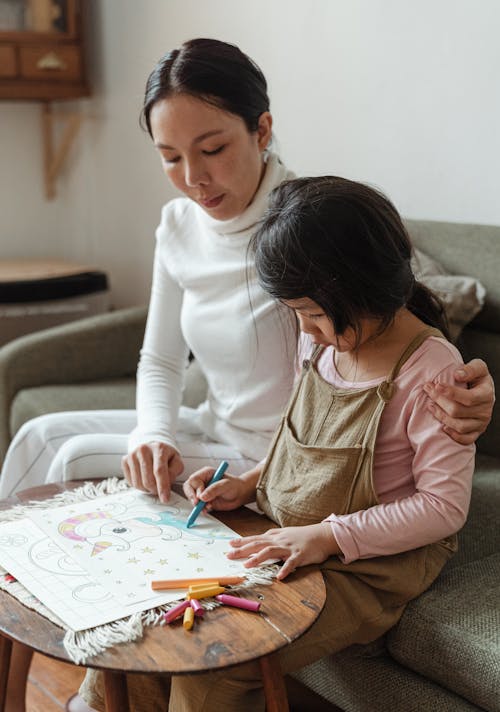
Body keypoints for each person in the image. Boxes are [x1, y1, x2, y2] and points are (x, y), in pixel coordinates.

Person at [0, 39, 493, 712]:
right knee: (43, 442)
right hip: (261, 467)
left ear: (262, 129)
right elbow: (177, 364)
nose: (194, 179)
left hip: (324, 512)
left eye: (212, 150)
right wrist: (198, 452)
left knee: (200, 654)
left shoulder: (315, 235)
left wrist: (472, 387)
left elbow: (408, 327)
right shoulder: (301, 319)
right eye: (170, 158)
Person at [169, 175, 477, 710]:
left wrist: (326, 537)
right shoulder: (322, 345)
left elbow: (443, 508)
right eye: (297, 314)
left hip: (372, 565)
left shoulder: (432, 371)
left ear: (363, 288)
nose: (306, 331)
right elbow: (300, 441)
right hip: (293, 533)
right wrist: (249, 482)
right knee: (156, 626)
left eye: (313, 314)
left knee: (212, 665)